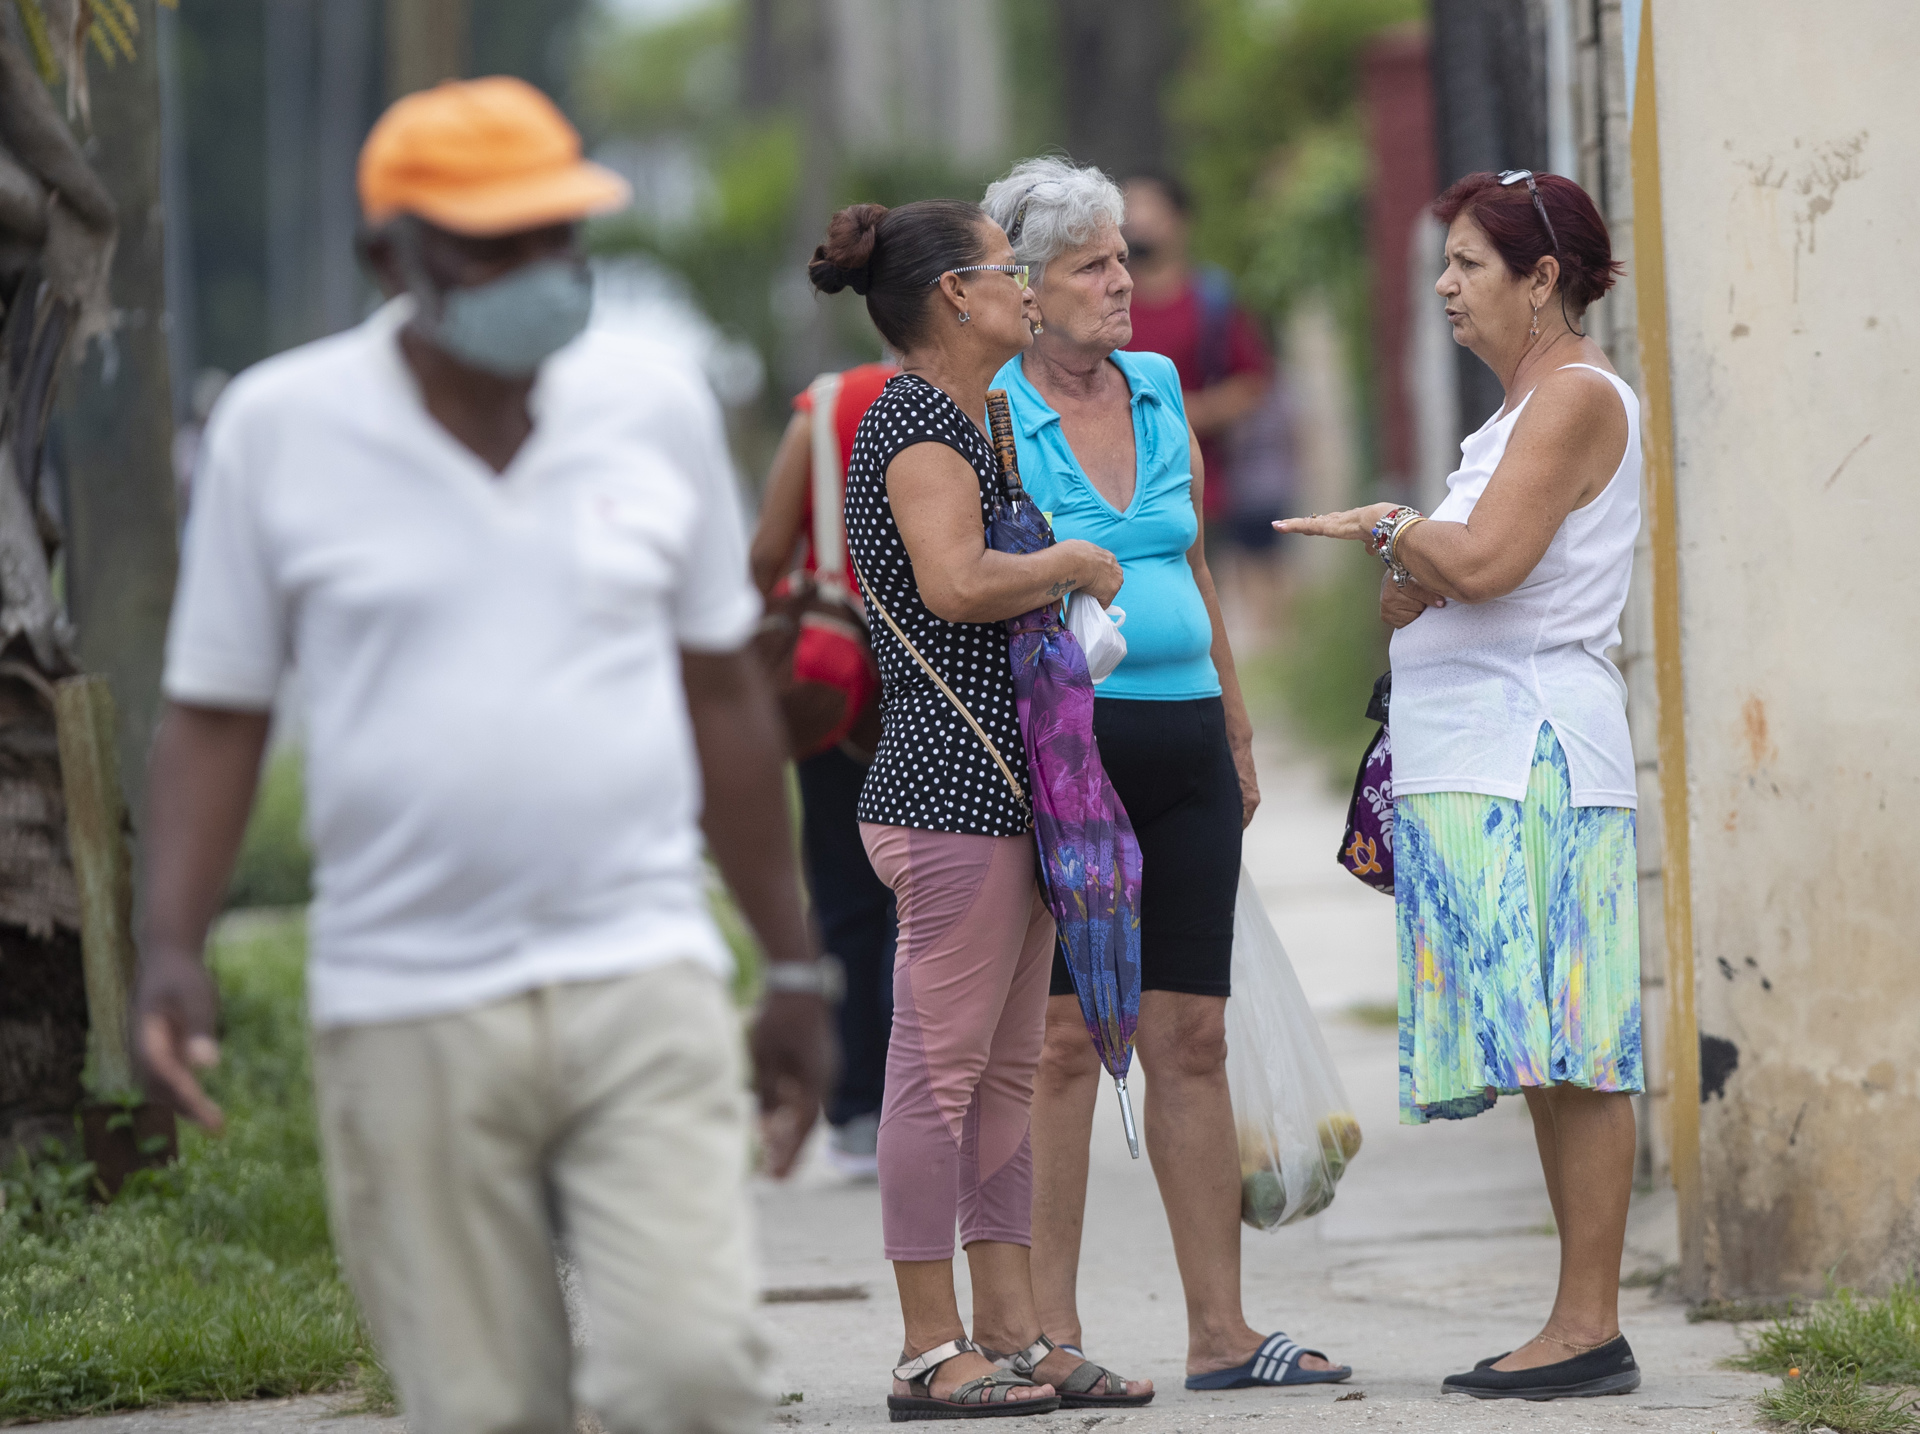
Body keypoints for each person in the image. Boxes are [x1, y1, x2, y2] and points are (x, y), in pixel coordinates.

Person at [133, 78, 835, 1434]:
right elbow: (217, 710)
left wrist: (792, 960)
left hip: (638, 963)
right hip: (405, 995)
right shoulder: (280, 430)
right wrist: (172, 943)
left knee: (689, 1373)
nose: (537, 277)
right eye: (489, 247)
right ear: (389, 258)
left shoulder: (651, 401)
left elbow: (723, 697)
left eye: (556, 240)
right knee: (481, 1404)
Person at [981, 156, 1350, 1394]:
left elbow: (1193, 572)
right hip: (1071, 759)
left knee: (1194, 1035)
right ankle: (1053, 1334)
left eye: (1125, 257)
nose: (1123, 283)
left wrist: (1239, 731)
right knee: (1065, 1044)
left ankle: (1222, 1336)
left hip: (1188, 741)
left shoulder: (1156, 386)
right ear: (1027, 289)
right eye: (1094, 264)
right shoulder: (993, 414)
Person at [1277, 169, 1644, 1401]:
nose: (1444, 283)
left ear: (1543, 280)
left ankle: (1587, 1326)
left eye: (1470, 262)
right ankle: (1575, 1321)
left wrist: (1393, 525)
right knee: (1543, 1047)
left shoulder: (1576, 397)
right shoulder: (1513, 417)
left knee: (1575, 1049)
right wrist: (1411, 559)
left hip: (1531, 752)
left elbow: (1479, 564)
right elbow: (1433, 585)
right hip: (1485, 757)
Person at [809, 198, 1150, 1417]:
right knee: (935, 1076)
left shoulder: (972, 418)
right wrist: (1070, 564)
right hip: (949, 795)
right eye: (1011, 269)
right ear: (957, 294)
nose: (1028, 285)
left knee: (1003, 1077)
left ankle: (1011, 1333)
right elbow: (955, 585)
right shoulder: (913, 423)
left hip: (1012, 797)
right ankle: (922, 1348)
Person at [750, 359, 899, 1176]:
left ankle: (855, 1115)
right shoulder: (992, 393)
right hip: (942, 688)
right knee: (935, 896)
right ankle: (938, 1101)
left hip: (833, 689)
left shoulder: (828, 406)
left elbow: (768, 551)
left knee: (845, 900)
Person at [1119, 173, 1295, 640]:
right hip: (1117, 487)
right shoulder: (1106, 304)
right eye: (1126, 210)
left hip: (1204, 488)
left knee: (1199, 612)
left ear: (1180, 221)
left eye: (1148, 209)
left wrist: (1185, 414)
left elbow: (1253, 381)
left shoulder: (1211, 299)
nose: (1135, 223)